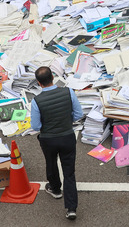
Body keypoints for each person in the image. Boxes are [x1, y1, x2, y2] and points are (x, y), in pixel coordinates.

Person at [30, 66, 83, 220]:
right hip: (67, 137)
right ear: (53, 77)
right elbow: (79, 114)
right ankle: (71, 208)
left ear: (39, 83)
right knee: (69, 172)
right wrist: (66, 121)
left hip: (48, 140)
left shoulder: (36, 101)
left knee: (51, 162)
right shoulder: (68, 92)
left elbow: (36, 126)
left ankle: (55, 189)